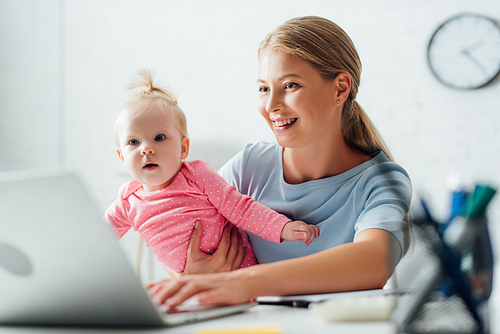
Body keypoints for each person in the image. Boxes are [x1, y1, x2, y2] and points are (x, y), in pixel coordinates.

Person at [147, 15, 412, 307]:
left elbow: (374, 262)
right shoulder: (249, 167)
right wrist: (190, 273)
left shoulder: (383, 181)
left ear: (340, 89)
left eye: (290, 86)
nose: (271, 105)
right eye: (263, 88)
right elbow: (180, 234)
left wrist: (247, 282)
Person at [105, 69, 319, 276]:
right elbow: (96, 239)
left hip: (241, 272)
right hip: (192, 290)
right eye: (133, 142)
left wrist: (283, 227)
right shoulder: (126, 202)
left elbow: (240, 208)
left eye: (159, 138)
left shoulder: (196, 175)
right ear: (122, 157)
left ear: (184, 148)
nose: (146, 149)